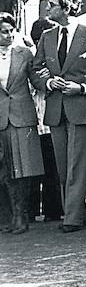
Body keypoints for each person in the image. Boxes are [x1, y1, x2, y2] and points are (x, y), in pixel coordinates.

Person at [33, 0, 86, 233]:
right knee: (63, 165)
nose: (47, 9)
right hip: (56, 109)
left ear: (66, 7)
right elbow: (35, 69)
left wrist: (82, 87)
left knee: (77, 163)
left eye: (51, 5)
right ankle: (77, 212)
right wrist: (47, 83)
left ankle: (72, 217)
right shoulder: (46, 36)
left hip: (81, 108)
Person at [0, 13, 45, 234]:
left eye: (11, 31)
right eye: (4, 31)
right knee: (6, 169)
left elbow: (35, 79)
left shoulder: (25, 53)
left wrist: (49, 82)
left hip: (22, 116)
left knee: (24, 168)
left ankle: (22, 214)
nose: (9, 35)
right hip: (1, 117)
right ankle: (10, 214)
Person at [27, 16, 63, 223]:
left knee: (52, 165)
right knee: (36, 165)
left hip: (49, 117)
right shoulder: (28, 56)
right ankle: (34, 209)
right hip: (34, 117)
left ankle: (53, 209)